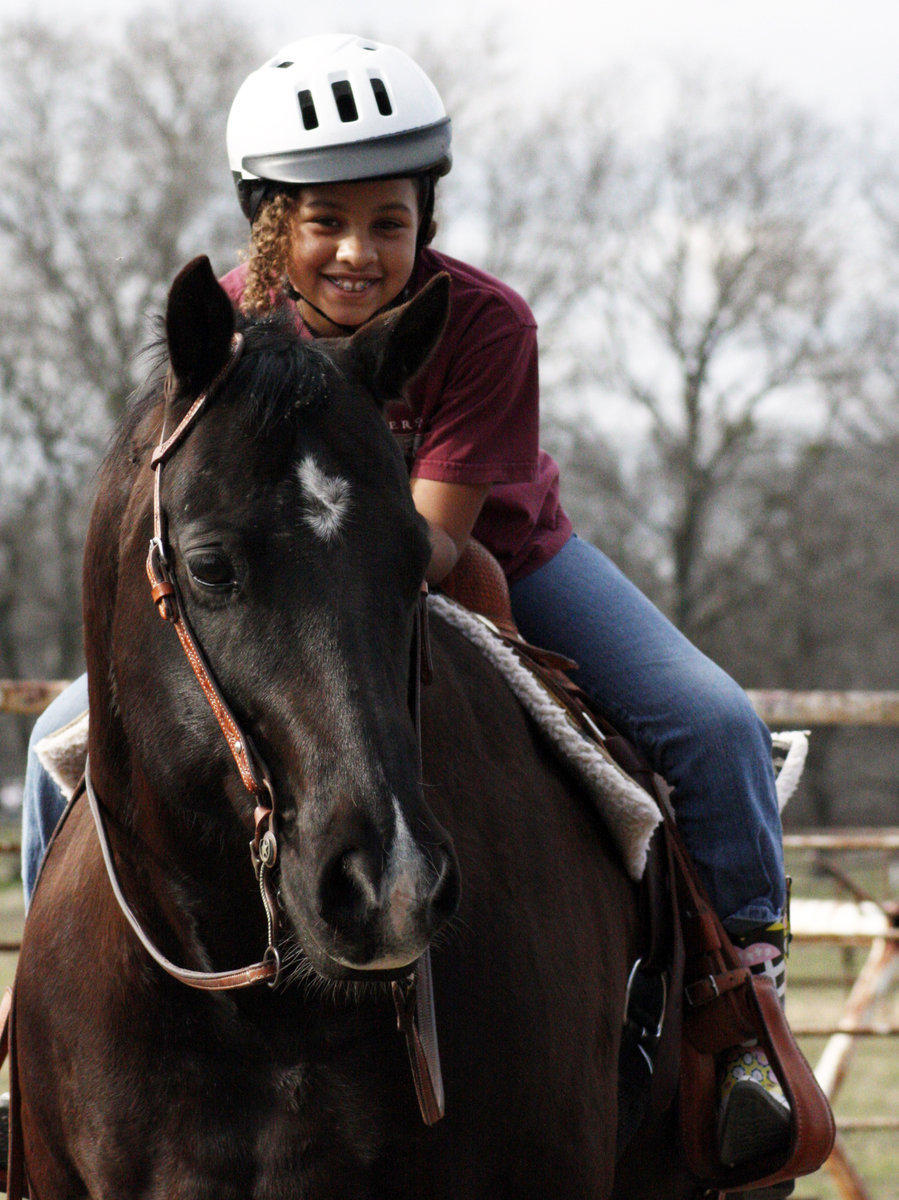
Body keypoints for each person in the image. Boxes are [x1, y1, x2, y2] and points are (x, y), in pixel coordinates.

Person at [20, 33, 793, 1192]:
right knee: (52, 748)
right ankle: (35, 1046)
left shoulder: (480, 324)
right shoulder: (223, 331)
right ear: (270, 223)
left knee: (714, 721)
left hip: (485, 553)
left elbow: (437, 535)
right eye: (325, 220)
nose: (357, 251)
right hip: (289, 589)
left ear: (424, 218)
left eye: (390, 221)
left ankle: (738, 1022)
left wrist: (347, 547)